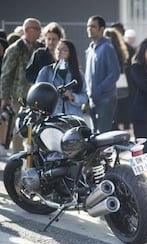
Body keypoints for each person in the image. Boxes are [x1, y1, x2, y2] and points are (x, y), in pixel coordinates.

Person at [0, 18, 43, 153]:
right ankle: (17, 163)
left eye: (39, 29)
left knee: (36, 130)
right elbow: (6, 75)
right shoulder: (15, 49)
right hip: (19, 97)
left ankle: (33, 162)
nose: (39, 32)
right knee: (19, 129)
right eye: (35, 29)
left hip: (37, 97)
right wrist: (5, 97)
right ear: (26, 30)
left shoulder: (40, 48)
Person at [85, 15, 120, 134]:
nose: (89, 29)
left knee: (103, 136)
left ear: (102, 29)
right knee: (94, 134)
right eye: (88, 26)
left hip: (105, 99)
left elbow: (114, 74)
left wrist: (98, 90)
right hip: (92, 99)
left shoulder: (107, 48)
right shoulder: (90, 49)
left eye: (93, 26)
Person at [35, 39, 88, 116]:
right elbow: (37, 93)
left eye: (63, 49)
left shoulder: (78, 74)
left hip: (73, 117)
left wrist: (72, 96)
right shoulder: (46, 71)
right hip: (52, 115)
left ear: (70, 53)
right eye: (58, 49)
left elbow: (85, 97)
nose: (60, 51)